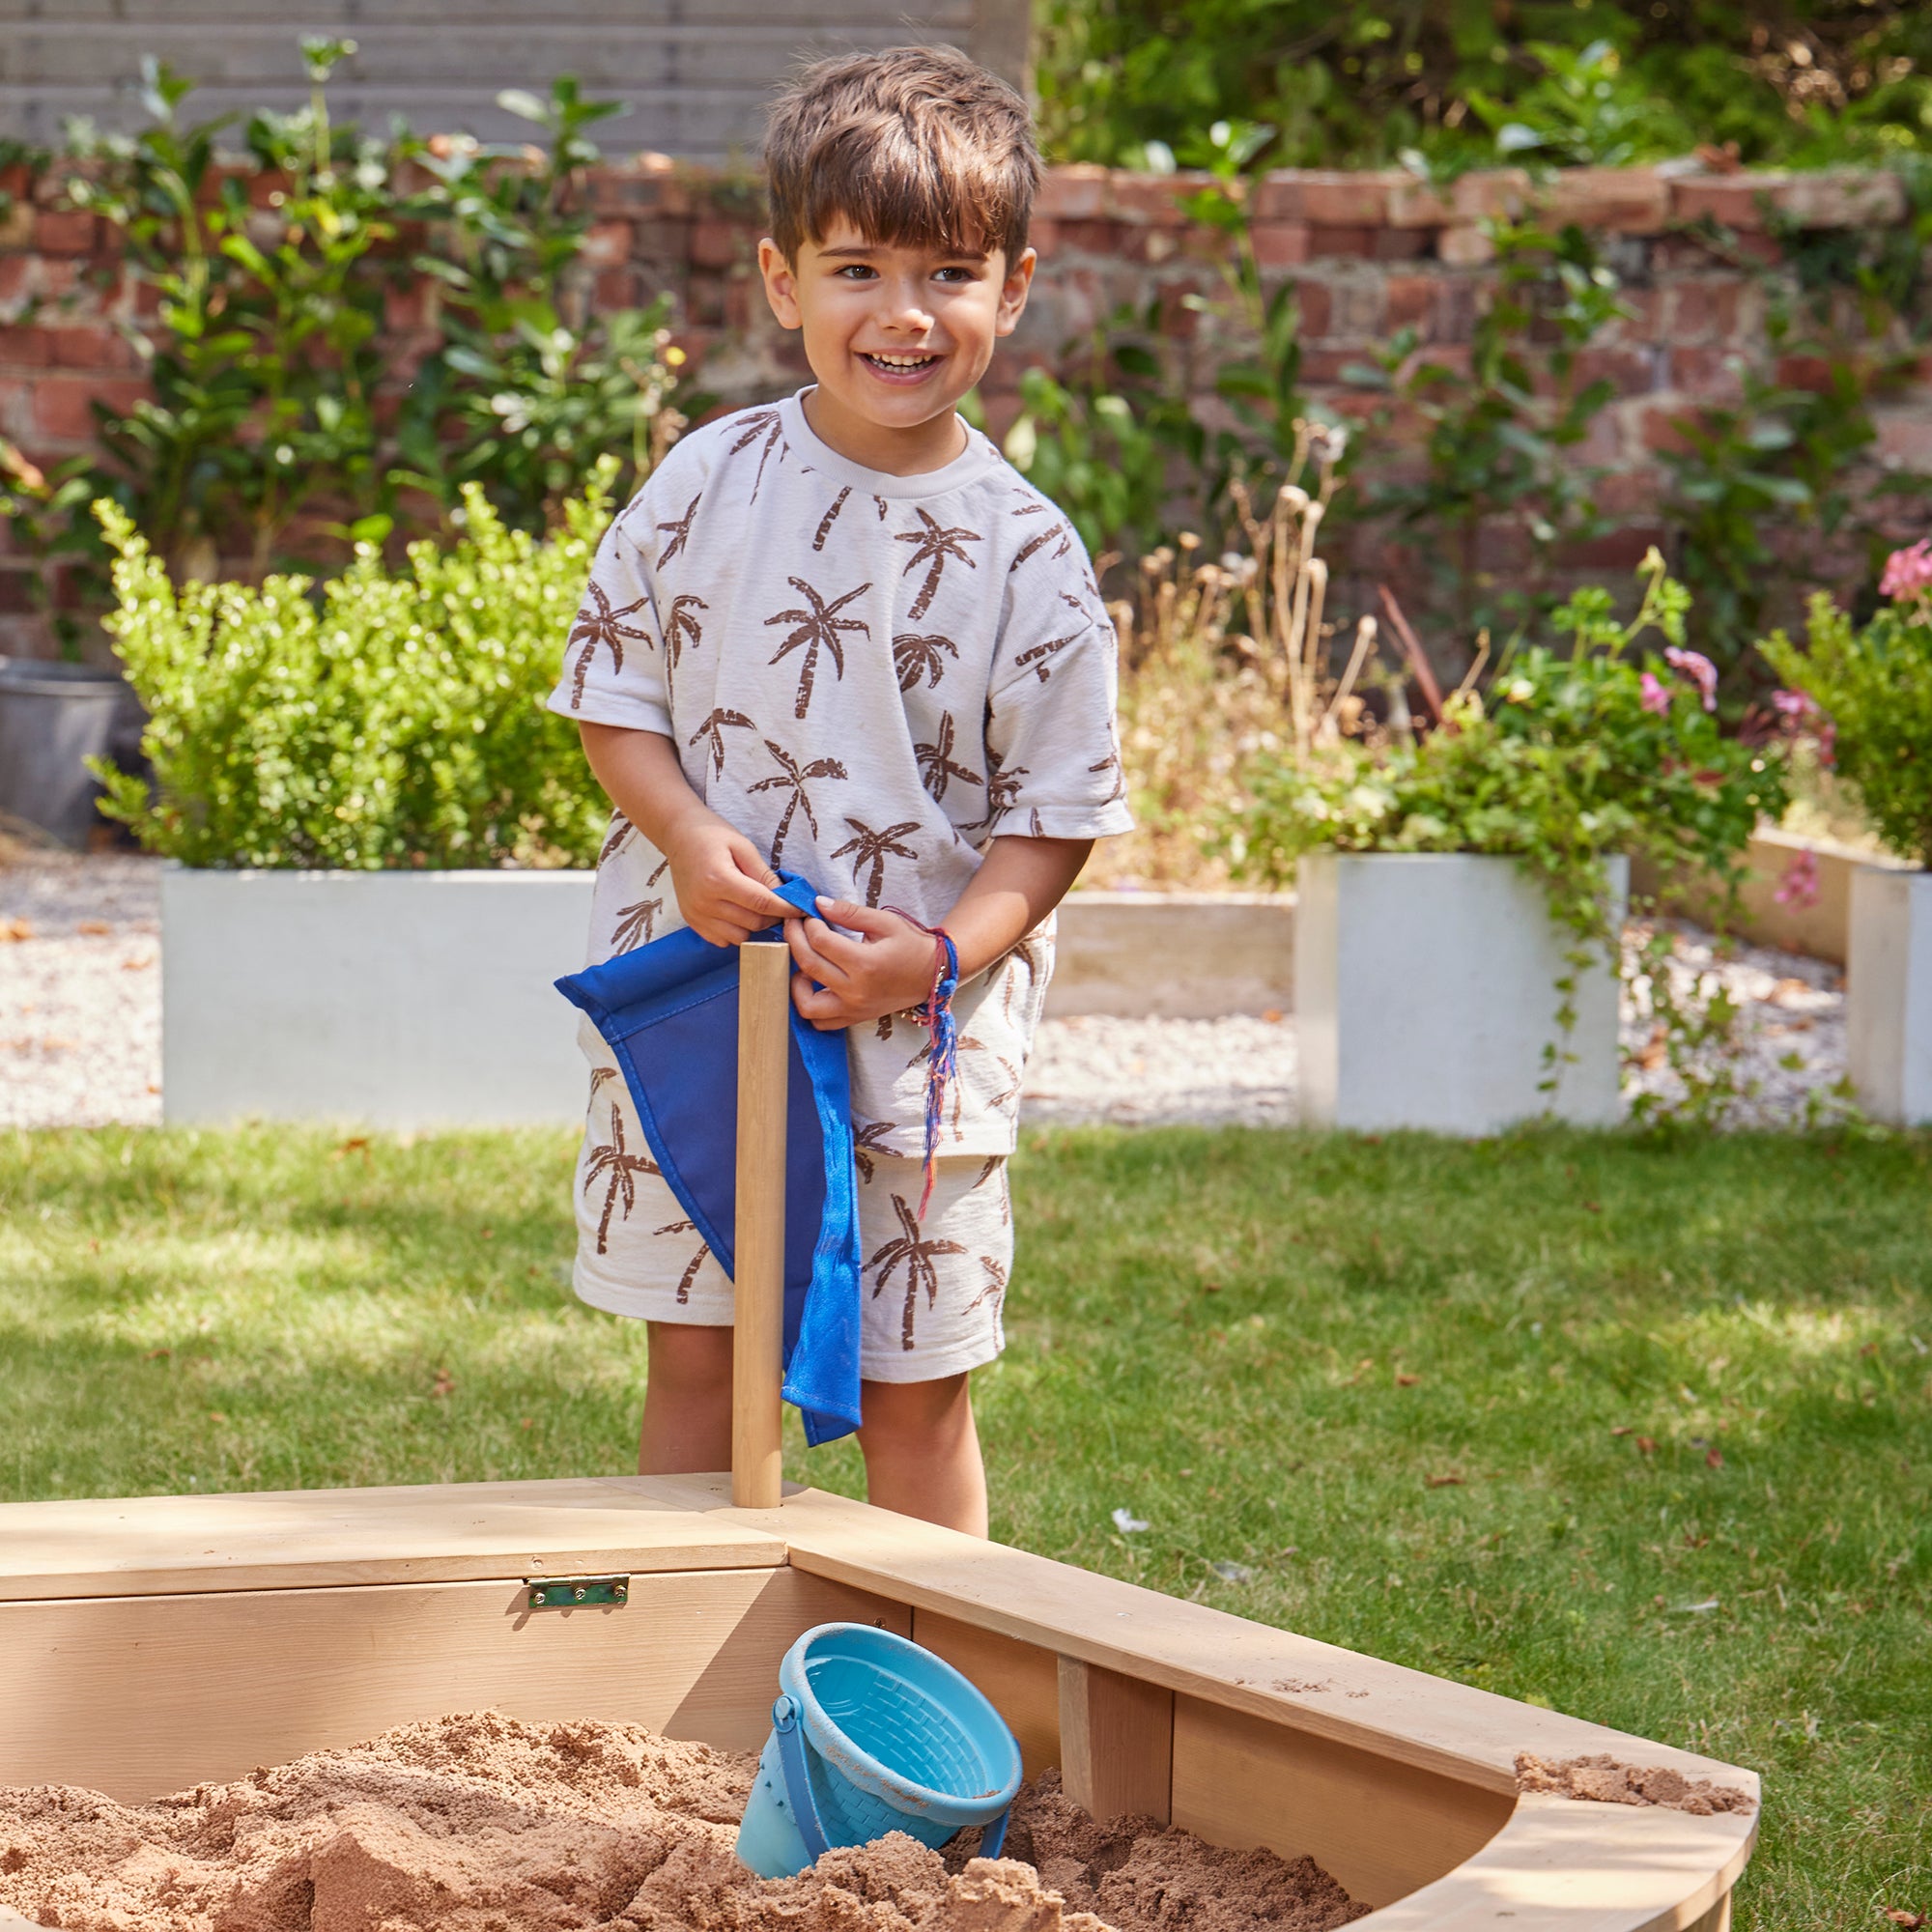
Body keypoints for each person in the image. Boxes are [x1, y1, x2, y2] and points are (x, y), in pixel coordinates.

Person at [549, 43, 1131, 1537]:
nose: (902, 314)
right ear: (779, 278)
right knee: (696, 1358)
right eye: (856, 268)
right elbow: (615, 701)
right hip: (705, 1003)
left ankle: (933, 1695)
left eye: (948, 272)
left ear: (1012, 291)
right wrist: (684, 840)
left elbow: (1053, 816)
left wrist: (940, 955)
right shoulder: (700, 483)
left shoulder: (1027, 554)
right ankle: (654, 1709)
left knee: (915, 1392)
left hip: (920, 1042)